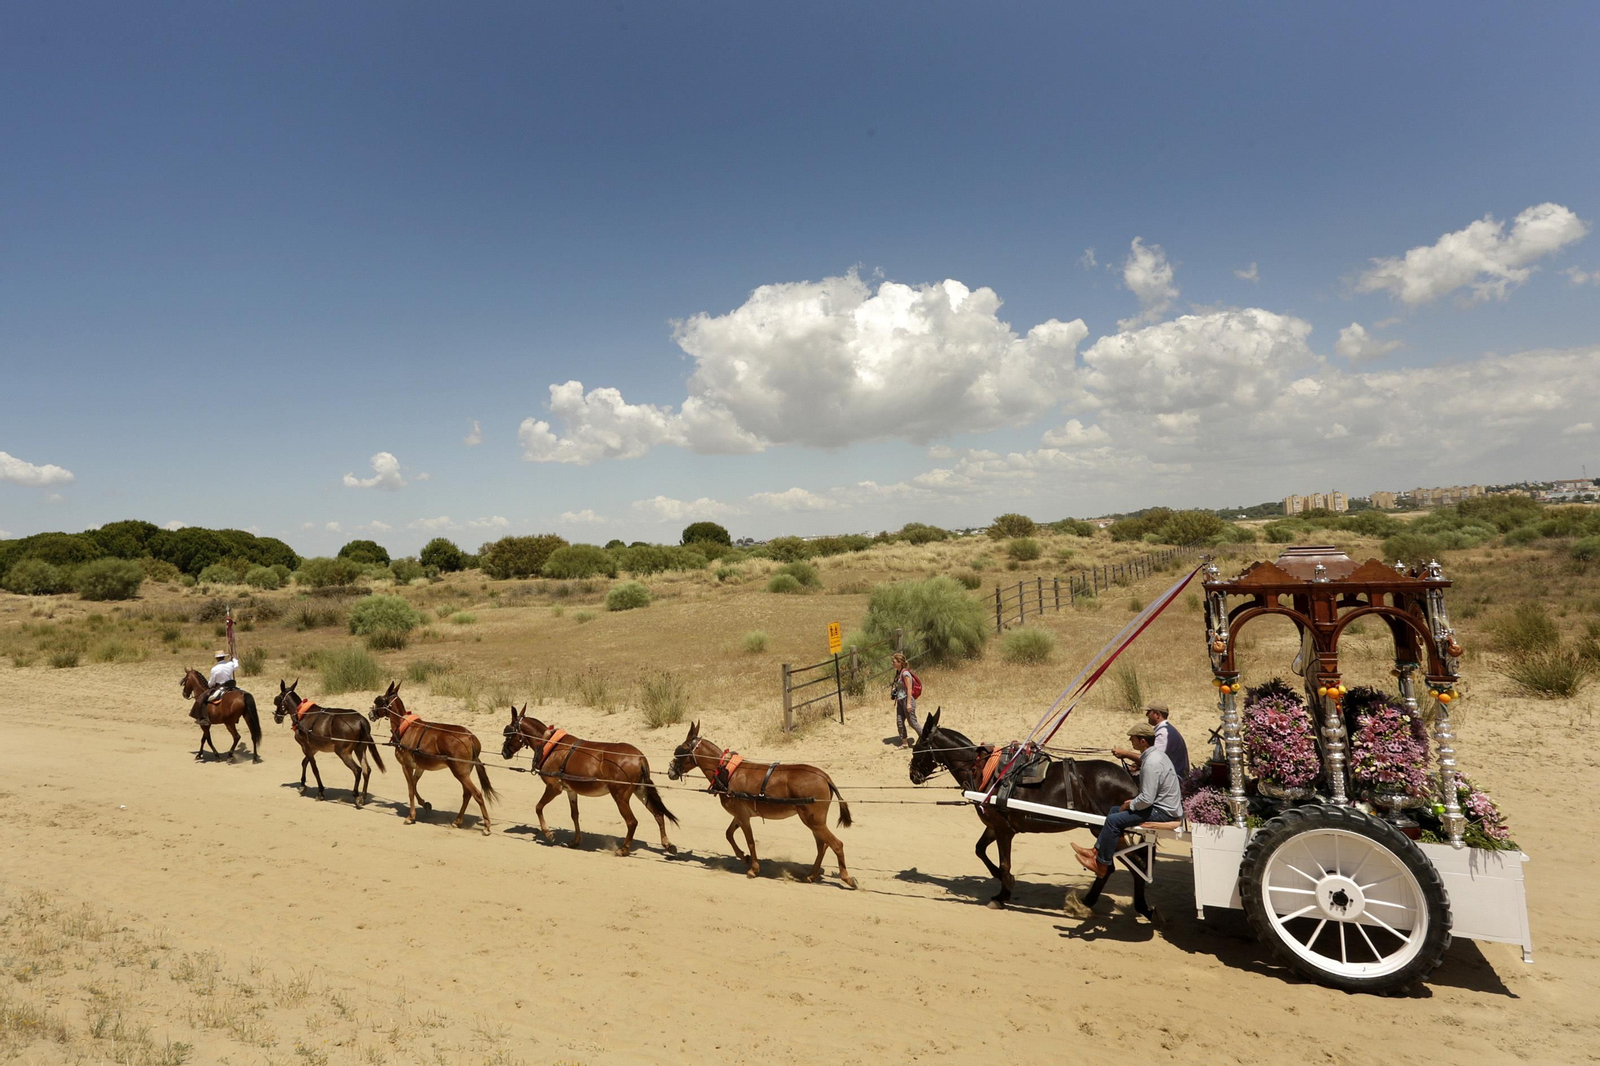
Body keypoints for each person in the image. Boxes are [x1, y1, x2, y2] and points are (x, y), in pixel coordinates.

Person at [1073, 724, 1181, 878]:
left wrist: (1130, 803)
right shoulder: (1157, 756)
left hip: (1163, 812)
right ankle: (1097, 850)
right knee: (1113, 811)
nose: (1130, 740)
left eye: (1133, 738)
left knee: (1113, 820)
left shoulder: (1151, 763)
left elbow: (1147, 799)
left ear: (1143, 741)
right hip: (1164, 807)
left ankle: (1101, 865)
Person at [1112, 702, 1190, 778]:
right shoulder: (1164, 729)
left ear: (1157, 714)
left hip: (1174, 779)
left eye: (1149, 712)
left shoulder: (1163, 733)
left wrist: (1125, 754)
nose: (1146, 715)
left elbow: (1153, 759)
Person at [888, 652, 920, 747]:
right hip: (900, 700)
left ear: (900, 662)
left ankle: (925, 738)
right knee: (900, 722)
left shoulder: (905, 673)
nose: (893, 663)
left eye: (894, 661)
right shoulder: (898, 673)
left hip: (907, 700)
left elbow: (909, 689)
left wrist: (909, 704)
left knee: (912, 722)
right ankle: (904, 743)